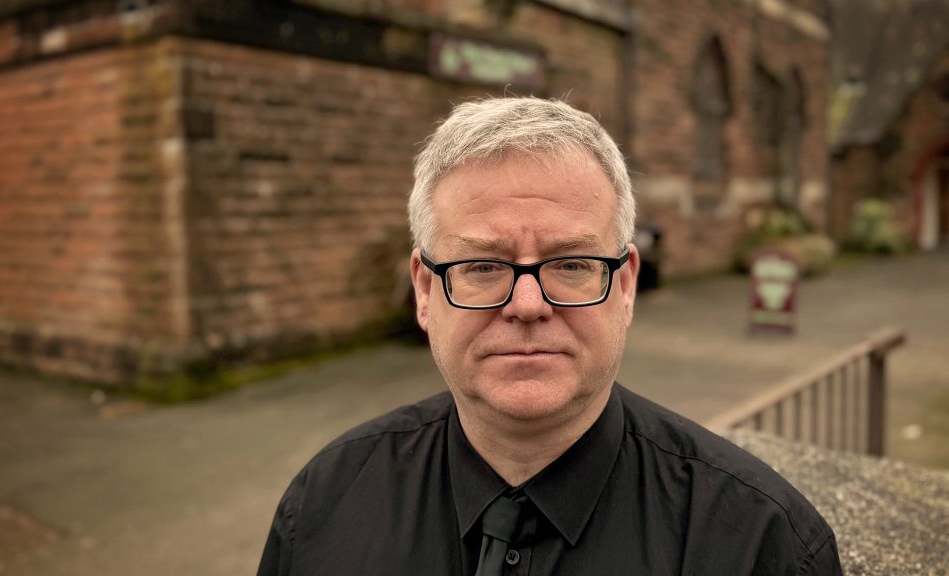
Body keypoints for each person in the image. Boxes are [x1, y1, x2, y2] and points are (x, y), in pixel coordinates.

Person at [257, 97, 842, 575]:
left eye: (571, 264)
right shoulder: (322, 506)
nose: (528, 304)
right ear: (426, 291)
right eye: (483, 267)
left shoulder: (765, 546)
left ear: (626, 285)